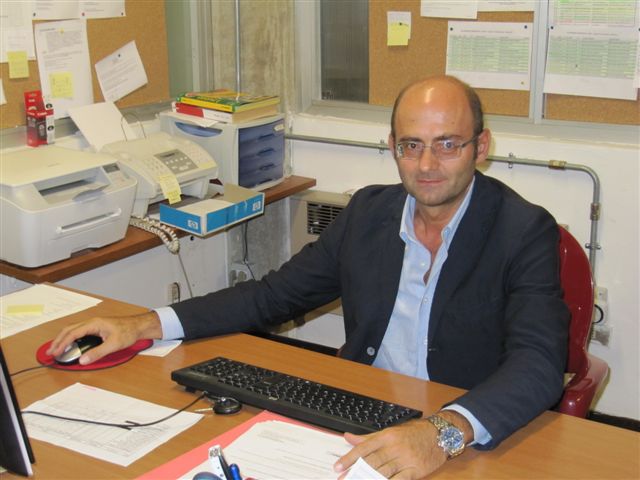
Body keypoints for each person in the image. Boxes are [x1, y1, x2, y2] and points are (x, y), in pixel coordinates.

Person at [48, 75, 569, 479]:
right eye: (412, 145)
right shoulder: (369, 213)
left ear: (481, 146)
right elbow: (272, 295)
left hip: (462, 429)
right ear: (393, 146)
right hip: (361, 413)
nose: (427, 164)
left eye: (448, 144)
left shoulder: (523, 231)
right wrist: (145, 324)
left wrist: (443, 433)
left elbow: (539, 363)